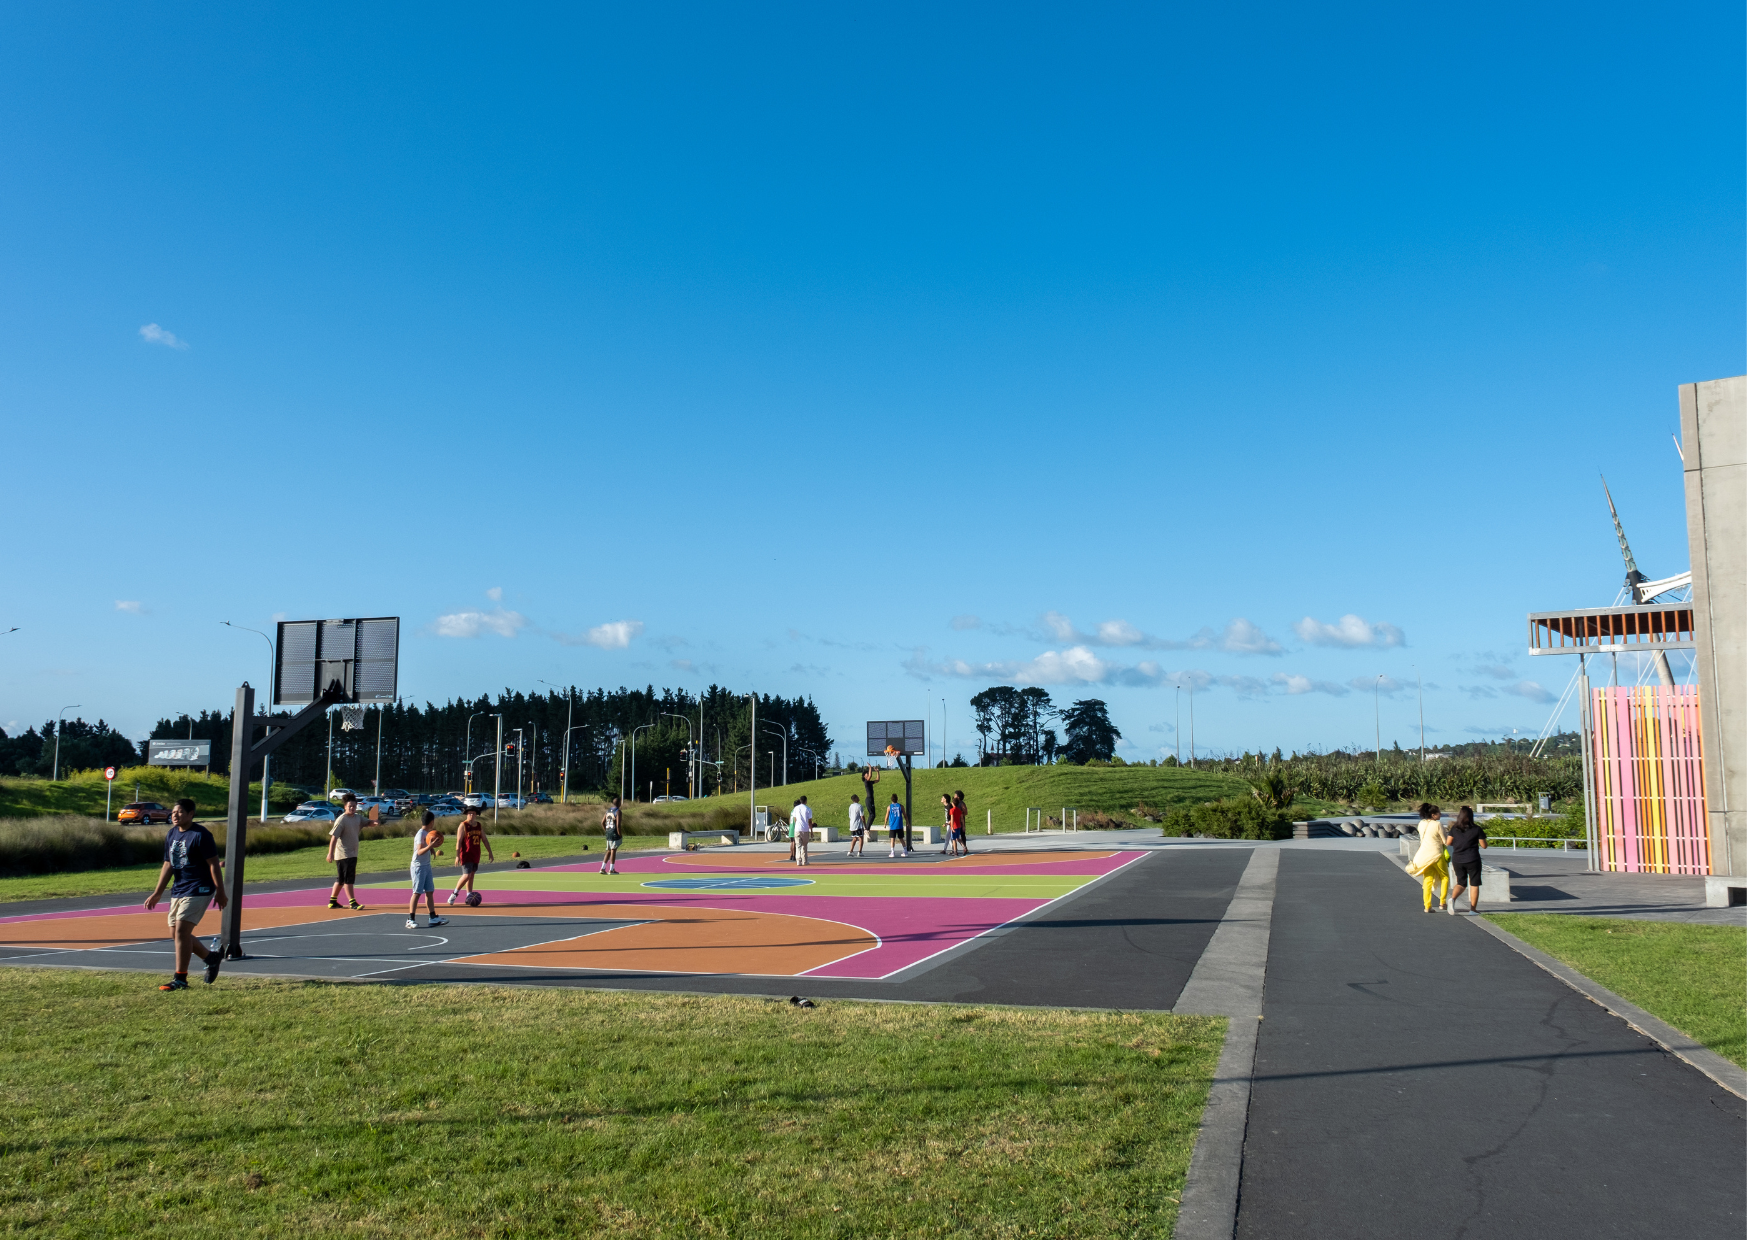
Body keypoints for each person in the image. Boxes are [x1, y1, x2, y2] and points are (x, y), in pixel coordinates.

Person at [143, 798, 228, 990]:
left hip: (200, 887)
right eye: (173, 812)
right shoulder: (172, 834)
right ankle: (211, 958)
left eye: (180, 812)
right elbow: (168, 864)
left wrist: (220, 891)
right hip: (179, 888)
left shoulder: (201, 835)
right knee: (176, 933)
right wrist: (158, 893)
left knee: (181, 931)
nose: (175, 815)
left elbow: (214, 864)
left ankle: (180, 979)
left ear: (191, 814)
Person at [1405, 802, 1451, 913]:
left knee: (1427, 880)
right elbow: (1445, 841)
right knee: (1445, 877)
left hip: (1425, 855)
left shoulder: (1421, 823)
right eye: (1438, 813)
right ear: (1433, 815)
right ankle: (1442, 902)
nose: (1440, 814)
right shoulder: (1438, 824)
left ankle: (1427, 906)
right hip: (1437, 854)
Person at [406, 813, 449, 928]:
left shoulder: (428, 834)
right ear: (431, 822)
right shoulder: (420, 834)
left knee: (429, 891)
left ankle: (433, 917)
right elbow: (419, 851)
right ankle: (410, 919)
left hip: (426, 866)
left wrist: (431, 850)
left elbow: (426, 846)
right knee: (417, 892)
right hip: (418, 867)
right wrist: (430, 847)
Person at [1445, 806, 1489, 914]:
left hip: (1458, 859)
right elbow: (1484, 846)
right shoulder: (1477, 829)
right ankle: (1473, 909)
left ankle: (1453, 899)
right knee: (1474, 883)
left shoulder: (1455, 828)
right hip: (1473, 859)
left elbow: (1448, 842)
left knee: (1461, 883)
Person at [326, 793, 366, 910]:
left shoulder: (357, 818)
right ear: (345, 807)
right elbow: (334, 837)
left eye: (354, 806)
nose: (352, 808)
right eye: (350, 806)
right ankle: (352, 902)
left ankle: (332, 901)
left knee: (341, 879)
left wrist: (374, 822)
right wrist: (330, 853)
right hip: (344, 854)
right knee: (348, 879)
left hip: (353, 853)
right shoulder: (342, 819)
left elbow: (367, 822)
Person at [447, 806, 494, 905]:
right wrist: (457, 855)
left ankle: (469, 895)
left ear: (476, 815)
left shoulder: (479, 825)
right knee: (466, 875)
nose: (471, 815)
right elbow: (459, 841)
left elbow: (484, 839)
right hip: (466, 854)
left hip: (475, 854)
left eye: (473, 813)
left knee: (471, 875)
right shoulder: (463, 825)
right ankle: (454, 894)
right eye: (469, 813)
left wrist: (490, 852)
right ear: (466, 814)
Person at [600, 796, 623, 875]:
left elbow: (602, 822)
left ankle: (603, 868)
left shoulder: (608, 810)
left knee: (609, 850)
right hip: (614, 832)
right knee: (613, 850)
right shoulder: (618, 811)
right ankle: (611, 869)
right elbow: (618, 825)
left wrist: (606, 830)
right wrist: (619, 834)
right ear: (619, 803)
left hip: (608, 832)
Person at [791, 795, 814, 867]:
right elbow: (810, 821)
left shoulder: (796, 808)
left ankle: (798, 860)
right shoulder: (808, 809)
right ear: (806, 801)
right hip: (805, 829)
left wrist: (796, 826)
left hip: (797, 829)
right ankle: (804, 860)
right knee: (804, 845)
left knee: (798, 845)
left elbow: (795, 819)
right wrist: (811, 831)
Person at [885, 793, 908, 858]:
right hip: (899, 824)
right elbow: (905, 815)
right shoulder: (901, 806)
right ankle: (905, 850)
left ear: (891, 800)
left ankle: (892, 852)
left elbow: (886, 816)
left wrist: (885, 823)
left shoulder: (889, 807)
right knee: (901, 838)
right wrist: (907, 822)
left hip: (892, 825)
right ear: (897, 799)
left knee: (892, 839)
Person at [950, 790, 970, 857]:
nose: (954, 796)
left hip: (959, 821)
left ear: (958, 797)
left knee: (961, 835)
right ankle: (954, 849)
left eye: (955, 795)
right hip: (956, 821)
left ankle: (964, 848)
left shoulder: (962, 804)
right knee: (956, 837)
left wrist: (960, 813)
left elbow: (966, 812)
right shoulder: (954, 803)